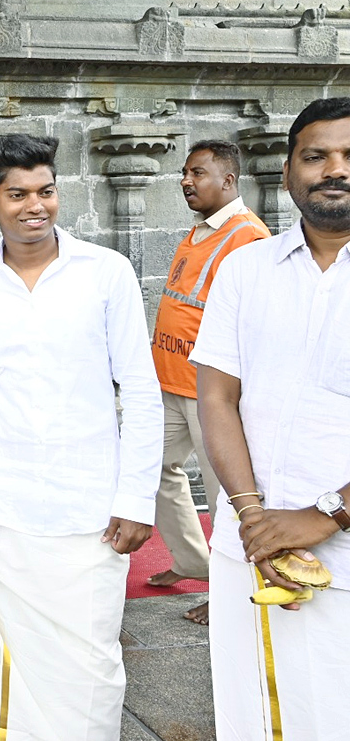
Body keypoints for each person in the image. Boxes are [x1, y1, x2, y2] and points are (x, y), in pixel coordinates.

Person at [0, 133, 163, 741]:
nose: (34, 205)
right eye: (17, 194)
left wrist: (134, 499)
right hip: (0, 505)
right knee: (0, 668)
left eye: (45, 191)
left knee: (91, 669)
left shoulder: (106, 272)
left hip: (89, 507)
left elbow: (141, 393)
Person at [192, 97, 350, 741]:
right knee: (253, 712)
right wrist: (254, 516)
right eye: (316, 157)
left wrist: (324, 515)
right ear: (287, 173)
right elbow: (216, 397)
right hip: (248, 547)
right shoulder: (245, 268)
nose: (334, 169)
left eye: (348, 156)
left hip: (340, 548)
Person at [148, 141, 270, 625]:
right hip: (170, 383)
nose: (185, 181)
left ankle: (233, 590)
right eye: (184, 172)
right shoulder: (201, 230)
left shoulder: (249, 236)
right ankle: (193, 563)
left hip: (213, 395)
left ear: (229, 180)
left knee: (229, 497)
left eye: (197, 172)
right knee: (151, 469)